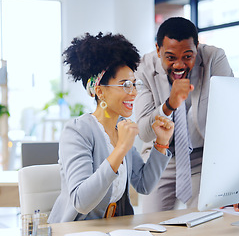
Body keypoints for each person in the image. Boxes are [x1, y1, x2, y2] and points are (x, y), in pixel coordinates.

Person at [47, 32, 175, 223]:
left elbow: (144, 184)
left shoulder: (121, 128)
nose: (133, 93)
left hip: (113, 228)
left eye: (134, 84)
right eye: (124, 85)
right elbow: (81, 201)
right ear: (99, 91)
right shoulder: (77, 131)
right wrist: (121, 148)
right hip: (76, 230)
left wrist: (161, 144)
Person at [135, 17, 239, 213]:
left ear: (197, 47)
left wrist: (237, 181)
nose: (179, 65)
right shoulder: (144, 68)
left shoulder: (214, 59)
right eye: (170, 57)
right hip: (160, 159)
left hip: (203, 160)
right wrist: (169, 105)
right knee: (152, 226)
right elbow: (145, 133)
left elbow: (233, 119)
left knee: (207, 224)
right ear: (158, 50)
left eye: (188, 56)